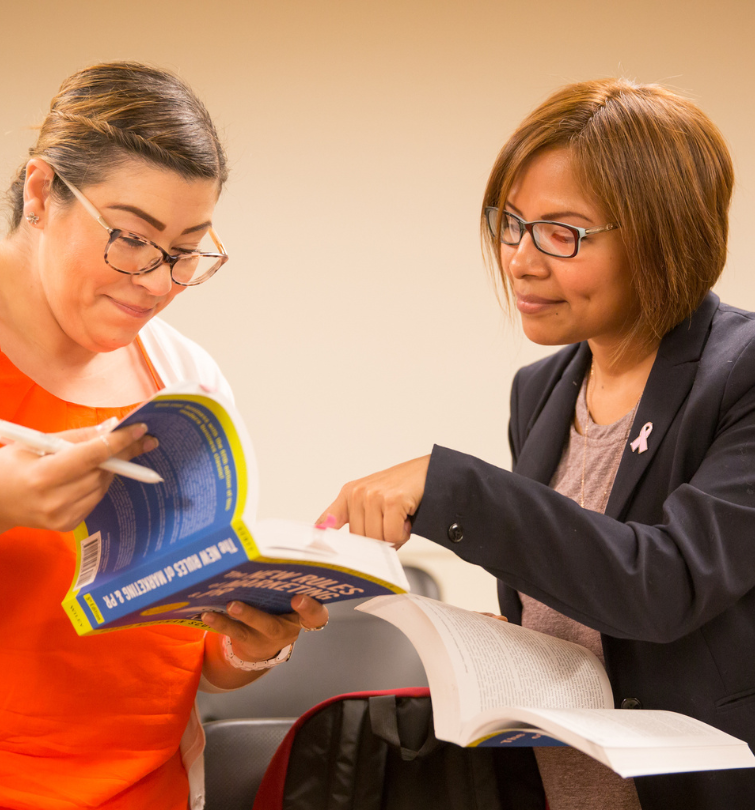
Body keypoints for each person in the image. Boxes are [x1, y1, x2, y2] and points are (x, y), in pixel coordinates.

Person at [320, 78, 755, 809]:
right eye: (511, 224)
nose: (521, 260)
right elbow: (576, 598)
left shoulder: (740, 374)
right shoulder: (542, 390)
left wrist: (453, 489)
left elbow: (667, 585)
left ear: (664, 235)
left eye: (563, 233)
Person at [0, 61, 328, 810]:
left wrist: (252, 645)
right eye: (132, 238)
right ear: (40, 192)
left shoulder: (186, 378)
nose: (157, 282)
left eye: (186, 250)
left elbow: (193, 653)